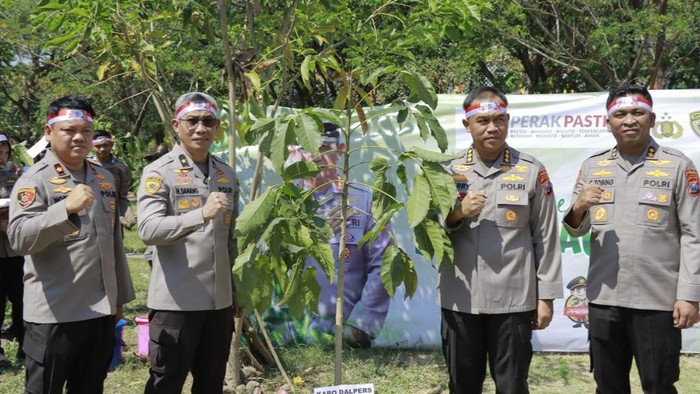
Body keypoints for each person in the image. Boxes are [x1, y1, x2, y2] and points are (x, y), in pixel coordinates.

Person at [562, 83, 700, 393]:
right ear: (607, 122)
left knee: (659, 385)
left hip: (658, 301)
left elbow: (695, 235)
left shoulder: (678, 166)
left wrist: (689, 295)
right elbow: (575, 228)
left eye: (638, 113)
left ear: (651, 119)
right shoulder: (593, 166)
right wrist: (579, 206)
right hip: (604, 301)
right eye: (620, 114)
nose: (629, 120)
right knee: (608, 386)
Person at [7, 95, 135, 392]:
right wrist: (64, 209)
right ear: (48, 132)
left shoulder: (103, 178)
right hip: (54, 314)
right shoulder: (33, 181)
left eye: (86, 131)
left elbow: (113, 242)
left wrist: (118, 300)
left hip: (99, 313)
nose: (79, 137)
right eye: (69, 130)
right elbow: (19, 239)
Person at [440, 86, 563, 393]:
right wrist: (457, 213)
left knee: (512, 385)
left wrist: (545, 297)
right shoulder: (446, 171)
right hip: (461, 299)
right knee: (462, 385)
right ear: (467, 125)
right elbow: (427, 230)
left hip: (513, 301)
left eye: (500, 119)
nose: (493, 127)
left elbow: (545, 236)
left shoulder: (531, 170)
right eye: (483, 120)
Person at [137, 92, 239, 393]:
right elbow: (148, 229)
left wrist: (235, 289)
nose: (200, 128)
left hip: (218, 304)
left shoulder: (226, 174)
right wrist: (201, 215)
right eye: (192, 121)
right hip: (176, 303)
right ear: (176, 125)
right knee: (166, 383)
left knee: (210, 384)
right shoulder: (159, 172)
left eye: (208, 121)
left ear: (217, 126)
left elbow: (229, 237)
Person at [269, 122, 393, 348]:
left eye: (324, 148)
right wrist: (308, 233)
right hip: (288, 335)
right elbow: (266, 261)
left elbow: (384, 264)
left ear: (341, 150)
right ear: (294, 152)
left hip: (343, 337)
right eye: (308, 148)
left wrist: (361, 326)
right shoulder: (281, 202)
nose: (315, 156)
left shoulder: (365, 200)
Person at [0, 134, 24, 361]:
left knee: (21, 298)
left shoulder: (19, 174)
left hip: (16, 248)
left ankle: (24, 347)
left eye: (3, 148)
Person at [89, 129, 134, 229]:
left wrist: (127, 213)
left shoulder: (121, 167)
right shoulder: (86, 165)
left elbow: (122, 197)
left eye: (105, 145)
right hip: (91, 214)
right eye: (98, 146)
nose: (102, 149)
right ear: (92, 147)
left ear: (112, 145)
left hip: (114, 213)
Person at [142, 143, 169, 269]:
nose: (154, 161)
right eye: (152, 159)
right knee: (150, 254)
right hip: (156, 223)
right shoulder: (150, 172)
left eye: (157, 158)